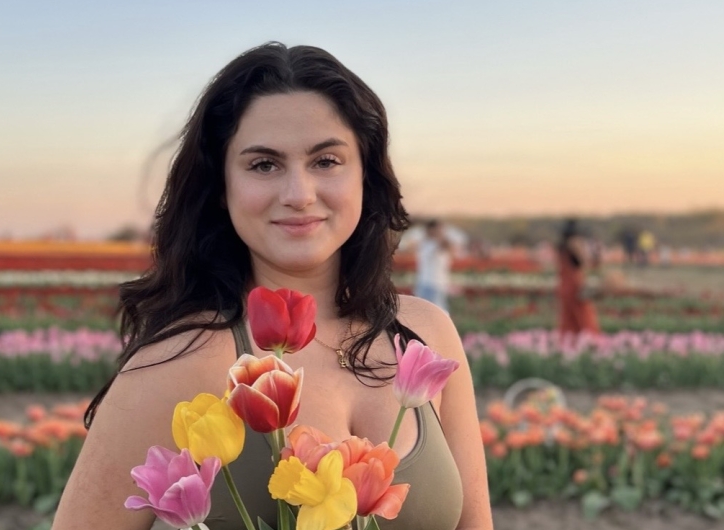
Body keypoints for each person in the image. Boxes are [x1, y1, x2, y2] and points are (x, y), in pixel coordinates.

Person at [54, 43, 492, 530]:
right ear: (221, 188)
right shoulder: (178, 362)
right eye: (264, 165)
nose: (299, 194)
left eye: (326, 160)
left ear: (365, 175)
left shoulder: (426, 338)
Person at [556, 219, 600, 339]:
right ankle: (589, 340)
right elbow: (585, 263)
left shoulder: (561, 247)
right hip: (575, 284)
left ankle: (568, 341)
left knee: (568, 317)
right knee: (583, 315)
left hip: (564, 285)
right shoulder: (574, 243)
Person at [414, 219, 455, 313]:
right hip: (429, 284)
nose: (442, 231)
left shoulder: (431, 243)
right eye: (439, 229)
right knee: (433, 313)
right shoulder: (427, 244)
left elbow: (450, 247)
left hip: (437, 284)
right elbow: (445, 245)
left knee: (438, 312)